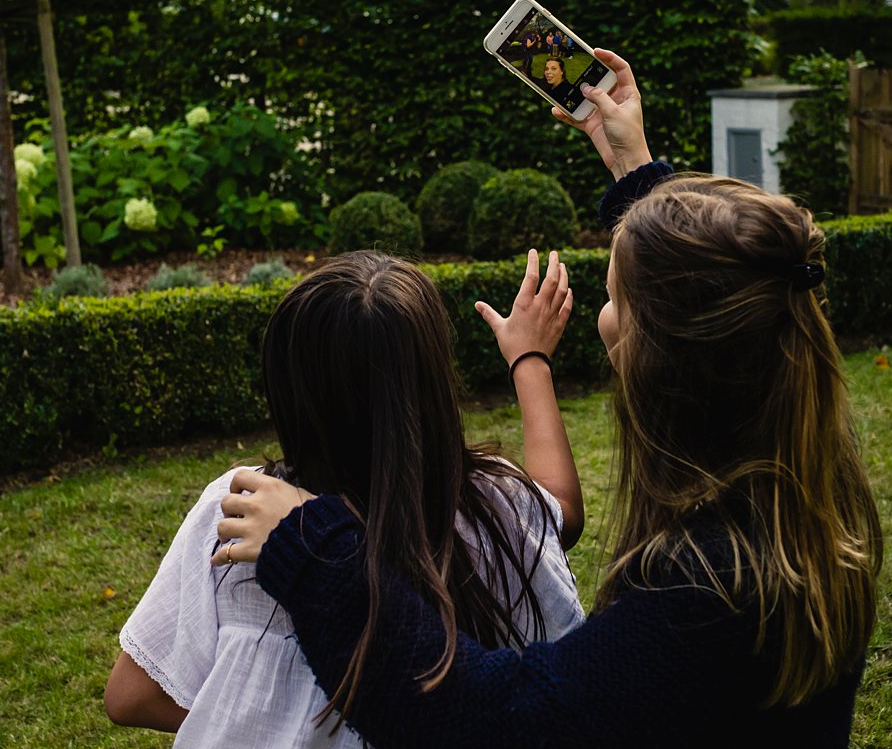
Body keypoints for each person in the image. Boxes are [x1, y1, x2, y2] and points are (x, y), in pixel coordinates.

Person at [212, 48, 884, 749]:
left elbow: (494, 721)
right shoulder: (814, 478)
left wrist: (316, 548)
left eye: (615, 297)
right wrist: (637, 169)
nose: (602, 317)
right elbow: (737, 300)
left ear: (666, 361)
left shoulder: (707, 588)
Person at [104, 249, 588, 747]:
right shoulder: (496, 509)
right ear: (433, 383)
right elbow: (561, 513)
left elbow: (130, 695)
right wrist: (529, 361)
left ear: (288, 390)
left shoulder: (237, 511)